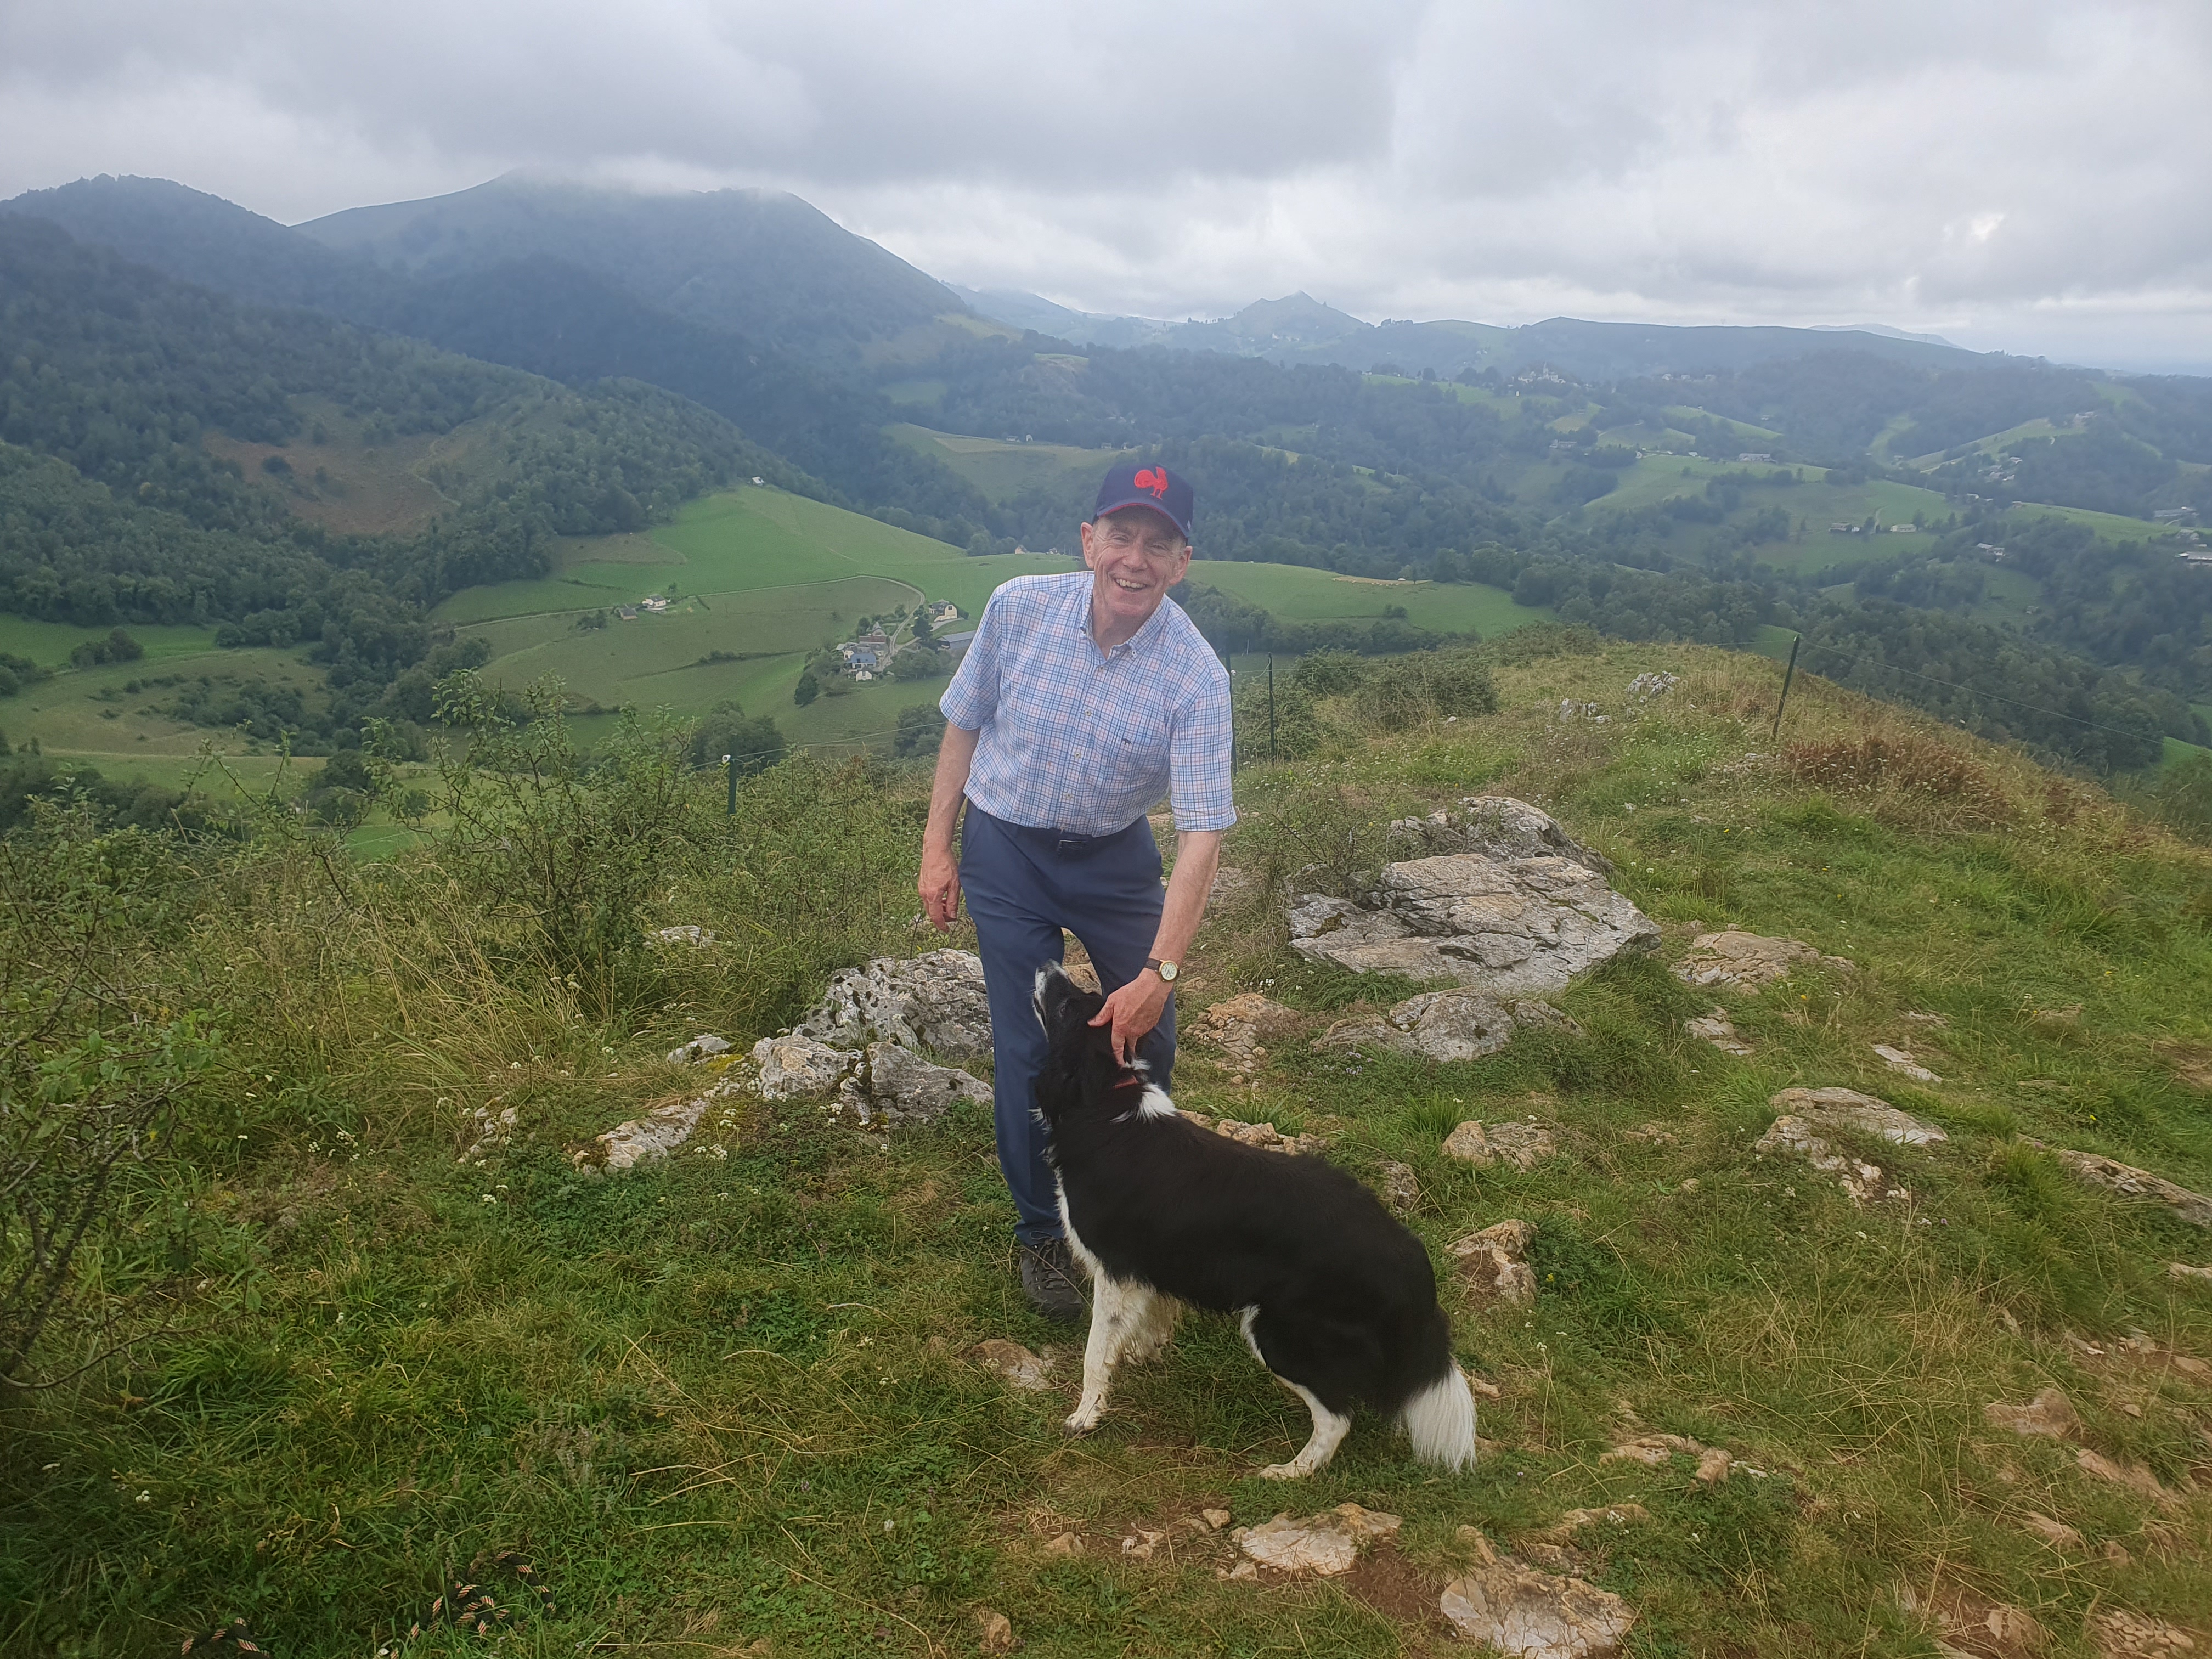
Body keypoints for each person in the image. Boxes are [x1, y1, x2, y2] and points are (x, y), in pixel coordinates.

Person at [918, 462, 1233, 1320]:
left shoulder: (1197, 676)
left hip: (1114, 860)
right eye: (1121, 536)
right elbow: (964, 723)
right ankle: (1043, 1235)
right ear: (1089, 541)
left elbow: (1204, 834)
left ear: (1182, 563)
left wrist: (1159, 974)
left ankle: (1133, 1203)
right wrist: (937, 849)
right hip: (1005, 852)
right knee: (1029, 1052)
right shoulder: (1018, 607)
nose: (1136, 559)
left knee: (1149, 1039)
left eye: (1158, 545)